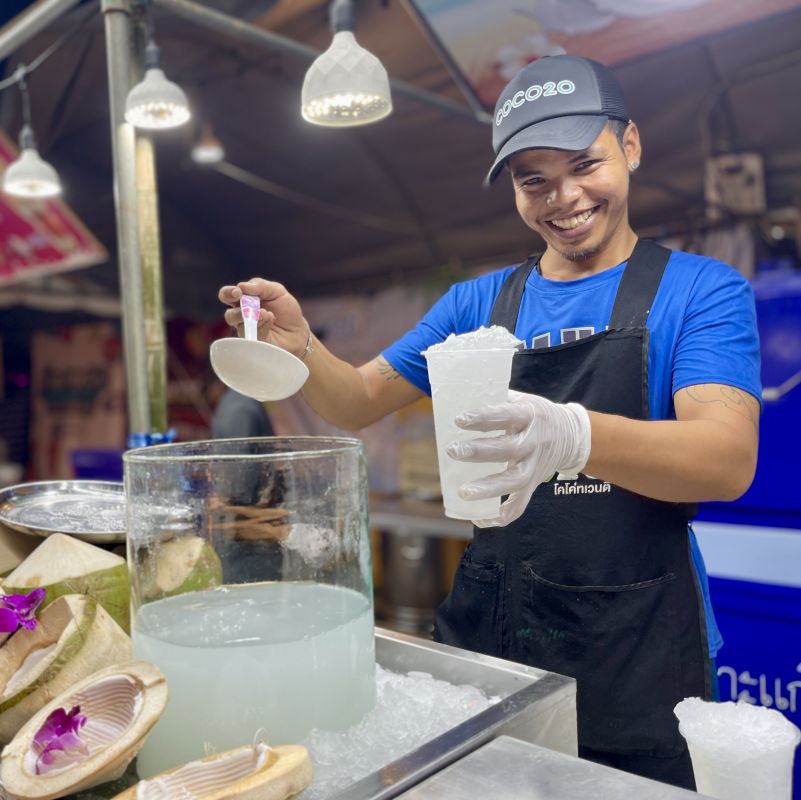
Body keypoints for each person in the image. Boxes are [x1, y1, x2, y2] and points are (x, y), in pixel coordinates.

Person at [219, 55, 760, 789]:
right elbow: (354, 401)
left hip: (634, 644)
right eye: (532, 178)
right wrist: (303, 344)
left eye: (583, 164)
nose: (562, 197)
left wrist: (572, 436)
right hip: (493, 631)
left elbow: (724, 459)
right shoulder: (477, 303)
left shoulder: (698, 291)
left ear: (629, 145)